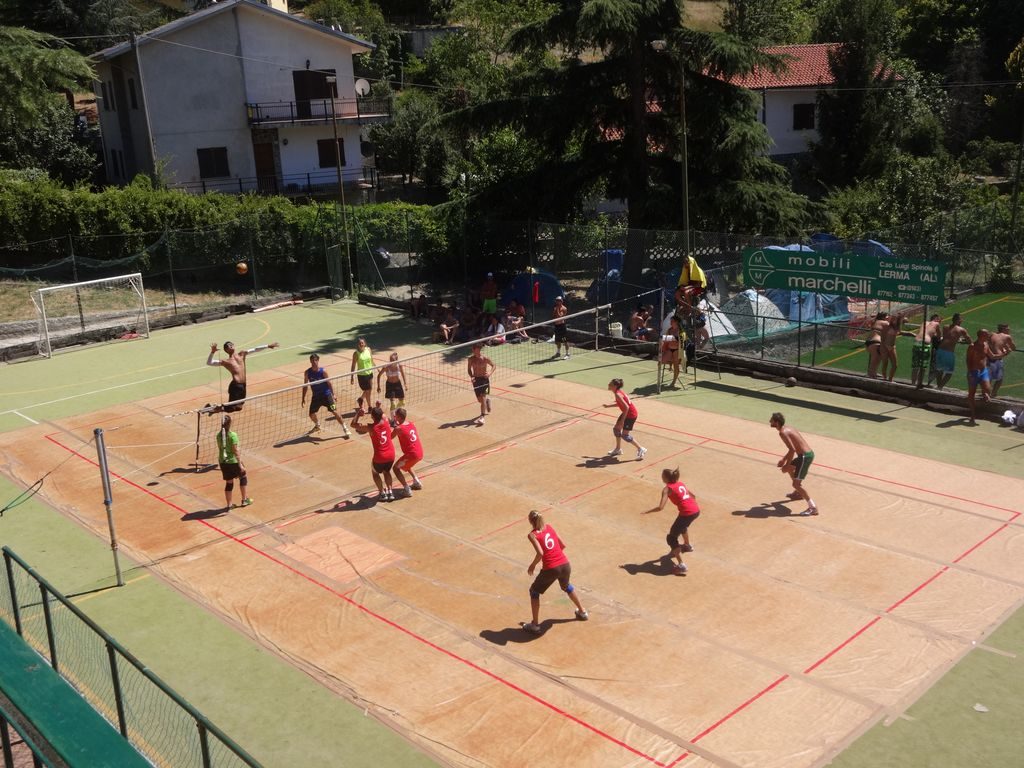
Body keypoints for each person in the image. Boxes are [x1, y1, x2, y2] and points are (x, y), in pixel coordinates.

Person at [522, 510, 588, 634]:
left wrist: (532, 565)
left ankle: (535, 625)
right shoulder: (549, 527)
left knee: (534, 591)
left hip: (551, 568)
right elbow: (563, 545)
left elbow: (540, 553)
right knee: (566, 586)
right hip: (565, 564)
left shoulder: (532, 535)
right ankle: (582, 611)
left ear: (530, 521)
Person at [645, 467, 701, 575]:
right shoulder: (680, 484)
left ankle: (681, 565)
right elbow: (693, 496)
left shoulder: (667, 489)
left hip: (686, 513)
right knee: (682, 526)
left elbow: (661, 507)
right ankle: (687, 546)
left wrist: (648, 511)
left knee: (671, 538)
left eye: (662, 475)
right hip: (695, 510)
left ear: (665, 477)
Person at [205, 340, 279, 412]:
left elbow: (255, 349)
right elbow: (209, 363)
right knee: (230, 408)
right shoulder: (226, 361)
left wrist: (268, 346)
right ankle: (211, 408)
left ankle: (213, 409)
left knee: (239, 407)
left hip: (243, 385)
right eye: (228, 346)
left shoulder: (242, 354)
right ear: (226, 350)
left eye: (231, 344)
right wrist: (212, 352)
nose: (231, 345)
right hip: (235, 386)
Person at [770, 412, 817, 516]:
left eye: (772, 420)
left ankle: (813, 507)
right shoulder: (788, 428)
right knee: (787, 469)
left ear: (776, 423)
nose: (770, 421)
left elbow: (792, 450)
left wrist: (786, 463)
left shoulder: (782, 432)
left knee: (795, 483)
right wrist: (784, 461)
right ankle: (798, 493)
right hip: (804, 455)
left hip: (805, 457)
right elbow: (793, 449)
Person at [350, 402, 396, 501]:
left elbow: (353, 424)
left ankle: (382, 493)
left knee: (375, 473)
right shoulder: (386, 421)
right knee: (387, 471)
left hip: (379, 456)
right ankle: (390, 492)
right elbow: (382, 414)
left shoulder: (370, 427)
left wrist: (358, 413)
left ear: (372, 417)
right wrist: (378, 407)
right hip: (391, 455)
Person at [301, 353, 349, 437]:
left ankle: (345, 428)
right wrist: (303, 398)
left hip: (326, 395)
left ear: (318, 361)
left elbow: (329, 383)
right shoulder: (307, 373)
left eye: (315, 360)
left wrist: (333, 395)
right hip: (316, 397)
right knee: (311, 414)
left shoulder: (323, 371)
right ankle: (317, 425)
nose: (314, 362)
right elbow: (305, 386)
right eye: (312, 360)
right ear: (310, 361)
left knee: (335, 411)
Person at [604, 378, 647, 460]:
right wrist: (608, 406)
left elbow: (626, 407)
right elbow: (622, 404)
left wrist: (622, 421)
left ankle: (641, 449)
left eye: (610, 384)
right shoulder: (618, 392)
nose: (608, 385)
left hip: (630, 415)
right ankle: (618, 449)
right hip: (626, 413)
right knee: (616, 430)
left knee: (625, 435)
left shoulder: (617, 394)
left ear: (615, 386)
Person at [216, 414, 252, 509]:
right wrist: (240, 464)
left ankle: (229, 505)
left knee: (229, 483)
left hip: (223, 461)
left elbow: (221, 448)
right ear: (230, 424)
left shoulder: (218, 435)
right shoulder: (233, 435)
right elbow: (235, 451)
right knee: (243, 476)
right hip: (232, 461)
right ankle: (244, 500)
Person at [392, 407, 424, 497]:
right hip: (419, 452)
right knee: (406, 464)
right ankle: (416, 481)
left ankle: (407, 489)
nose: (394, 417)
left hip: (412, 454)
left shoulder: (398, 428)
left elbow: (390, 437)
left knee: (395, 468)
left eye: (396, 416)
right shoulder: (411, 423)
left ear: (399, 417)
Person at [935, 313, 971, 390]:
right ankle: (940, 387)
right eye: (961, 319)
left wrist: (958, 339)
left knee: (939, 370)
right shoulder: (961, 330)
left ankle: (939, 387)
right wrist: (964, 341)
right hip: (948, 352)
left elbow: (948, 336)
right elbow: (969, 340)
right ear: (958, 320)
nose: (962, 320)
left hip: (940, 350)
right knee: (949, 372)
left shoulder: (945, 327)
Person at [966, 329, 992, 426]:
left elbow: (992, 356)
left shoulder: (986, 345)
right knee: (971, 394)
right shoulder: (972, 346)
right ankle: (973, 415)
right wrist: (969, 372)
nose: (988, 335)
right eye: (986, 334)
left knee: (988, 388)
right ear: (981, 335)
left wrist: (1004, 353)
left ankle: (985, 393)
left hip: (983, 371)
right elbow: (968, 360)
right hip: (973, 371)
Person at [467, 343, 496, 425]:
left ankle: (482, 417)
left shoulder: (485, 358)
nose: (476, 351)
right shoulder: (471, 359)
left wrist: (489, 373)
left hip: (484, 380)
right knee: (480, 400)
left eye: (477, 349)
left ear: (479, 350)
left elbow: (494, 365)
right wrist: (471, 376)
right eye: (474, 349)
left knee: (482, 398)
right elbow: (469, 369)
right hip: (476, 380)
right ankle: (487, 401)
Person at [880, 314, 914, 382]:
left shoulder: (897, 326)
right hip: (886, 346)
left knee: (894, 365)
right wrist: (883, 347)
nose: (894, 320)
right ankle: (885, 378)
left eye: (896, 319)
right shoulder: (887, 326)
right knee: (886, 363)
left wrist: (909, 333)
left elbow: (905, 322)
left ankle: (890, 379)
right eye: (893, 319)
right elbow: (882, 337)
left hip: (892, 346)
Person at [912, 313, 942, 388]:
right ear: (936, 319)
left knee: (915, 365)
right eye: (940, 320)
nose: (940, 322)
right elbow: (939, 336)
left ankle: (913, 383)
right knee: (923, 366)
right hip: (925, 344)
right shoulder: (936, 324)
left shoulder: (924, 322)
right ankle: (919, 383)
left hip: (916, 343)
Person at [987, 323, 1016, 398]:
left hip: (988, 359)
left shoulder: (992, 334)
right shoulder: (1007, 336)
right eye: (1007, 328)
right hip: (997, 359)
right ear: (1003, 329)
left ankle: (987, 394)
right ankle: (993, 394)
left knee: (989, 379)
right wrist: (1007, 349)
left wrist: (1005, 346)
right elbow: (1013, 347)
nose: (1009, 329)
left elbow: (994, 343)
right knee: (999, 379)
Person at [376, 352, 408, 420]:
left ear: (396, 360)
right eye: (390, 360)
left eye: (393, 360)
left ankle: (396, 412)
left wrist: (405, 384)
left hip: (398, 384)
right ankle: (393, 420)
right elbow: (379, 376)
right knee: (393, 404)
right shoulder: (386, 367)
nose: (391, 361)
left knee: (402, 402)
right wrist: (378, 386)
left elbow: (403, 374)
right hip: (390, 385)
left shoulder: (399, 366)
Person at [660, 315, 684, 388]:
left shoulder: (681, 330)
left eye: (672, 321)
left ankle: (673, 382)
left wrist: (671, 338)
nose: (670, 322)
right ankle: (671, 363)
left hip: (677, 350)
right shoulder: (670, 330)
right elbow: (666, 339)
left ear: (676, 322)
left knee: (676, 365)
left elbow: (681, 340)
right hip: (670, 349)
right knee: (661, 360)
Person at [350, 337, 376, 405]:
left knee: (369, 390)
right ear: (358, 345)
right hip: (362, 375)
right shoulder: (356, 354)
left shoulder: (368, 349)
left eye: (362, 343)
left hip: (369, 373)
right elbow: (353, 365)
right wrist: (352, 377)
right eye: (359, 343)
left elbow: (371, 360)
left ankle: (360, 399)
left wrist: (377, 367)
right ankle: (370, 406)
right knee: (367, 391)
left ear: (365, 343)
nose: (361, 344)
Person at [865, 312, 888, 379]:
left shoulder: (875, 321)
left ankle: (873, 373)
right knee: (874, 360)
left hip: (869, 342)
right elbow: (893, 328)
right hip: (876, 342)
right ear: (883, 317)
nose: (888, 317)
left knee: (877, 359)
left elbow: (868, 323)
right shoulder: (884, 323)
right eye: (887, 316)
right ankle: (871, 375)